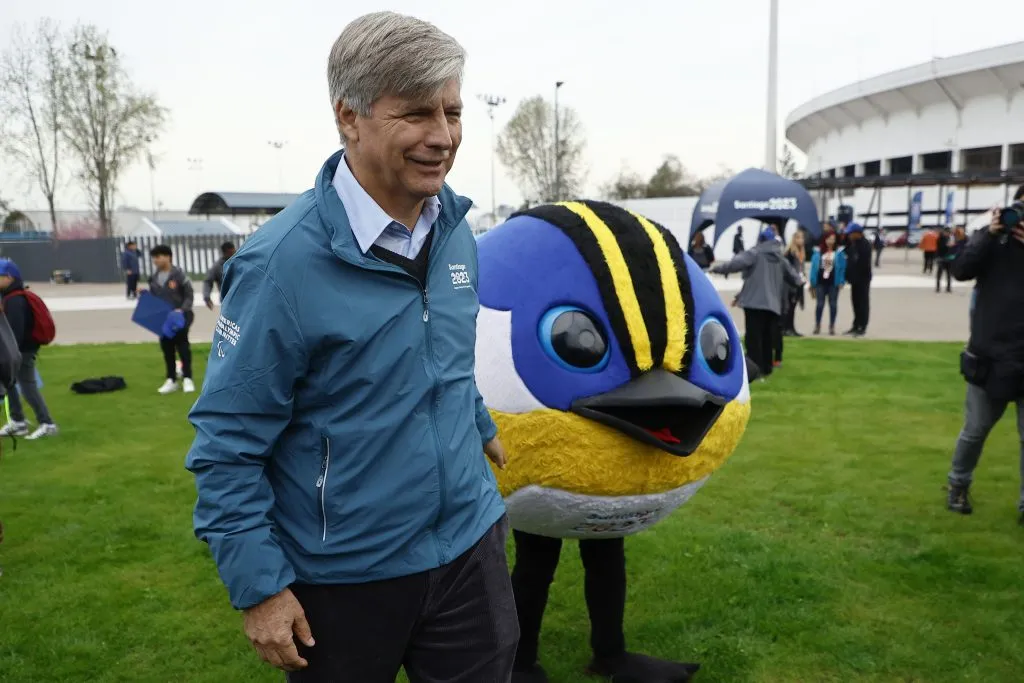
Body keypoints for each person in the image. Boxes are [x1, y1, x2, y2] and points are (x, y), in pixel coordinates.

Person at [184, 12, 517, 683]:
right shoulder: (280, 264)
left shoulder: (455, 226)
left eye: (453, 112)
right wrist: (259, 587)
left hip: (470, 549)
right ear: (349, 116)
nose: (444, 136)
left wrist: (475, 421)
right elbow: (227, 444)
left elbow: (440, 352)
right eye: (417, 113)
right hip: (343, 579)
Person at [945, 185, 1024, 524]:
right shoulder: (992, 240)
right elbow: (960, 268)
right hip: (990, 354)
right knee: (975, 430)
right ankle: (957, 485)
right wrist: (987, 235)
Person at [711, 227, 802, 378]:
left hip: (754, 303)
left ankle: (755, 370)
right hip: (773, 305)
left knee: (753, 339)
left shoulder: (755, 253)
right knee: (767, 337)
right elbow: (795, 278)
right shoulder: (780, 258)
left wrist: (717, 269)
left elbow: (735, 264)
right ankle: (767, 368)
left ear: (761, 240)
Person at [0, 259, 57, 439]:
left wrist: (8, 352)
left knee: (27, 387)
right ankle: (18, 421)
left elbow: (14, 331)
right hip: (15, 351)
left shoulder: (15, 300)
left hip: (21, 351)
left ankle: (47, 423)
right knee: (9, 385)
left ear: (9, 277)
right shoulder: (10, 297)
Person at [145, 245, 195, 394]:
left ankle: (187, 378)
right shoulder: (153, 278)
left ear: (168, 257)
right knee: (167, 349)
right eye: (154, 257)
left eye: (158, 256)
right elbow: (154, 298)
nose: (155, 260)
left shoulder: (179, 275)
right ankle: (171, 379)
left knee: (183, 347)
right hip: (163, 319)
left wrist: (182, 309)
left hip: (180, 317)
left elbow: (189, 295)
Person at [809, 231, 846, 335]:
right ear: (824, 239)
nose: (831, 241)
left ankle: (832, 325)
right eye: (829, 238)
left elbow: (842, 268)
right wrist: (812, 281)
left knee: (833, 304)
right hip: (820, 282)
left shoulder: (839, 253)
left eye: (833, 239)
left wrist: (842, 281)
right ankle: (817, 324)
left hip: (833, 283)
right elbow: (813, 268)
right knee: (820, 304)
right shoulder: (818, 253)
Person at [843, 223, 872, 337]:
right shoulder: (852, 244)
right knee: (855, 302)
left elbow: (862, 264)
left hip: (863, 279)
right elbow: (846, 254)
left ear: (857, 233)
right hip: (854, 279)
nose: (849, 235)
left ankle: (862, 326)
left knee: (863, 302)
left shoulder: (865, 245)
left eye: (851, 233)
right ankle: (855, 324)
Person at [203, 241, 237, 310]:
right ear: (225, 253)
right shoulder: (217, 267)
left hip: (242, 299)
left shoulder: (239, 263)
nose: (234, 254)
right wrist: (207, 297)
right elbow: (208, 281)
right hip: (227, 302)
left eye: (234, 252)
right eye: (231, 253)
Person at [935, 227, 953, 293]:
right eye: (948, 232)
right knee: (940, 273)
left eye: (949, 233)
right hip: (941, 258)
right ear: (945, 232)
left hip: (948, 258)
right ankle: (938, 287)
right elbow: (940, 248)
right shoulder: (940, 238)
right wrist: (948, 246)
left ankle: (948, 287)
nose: (948, 234)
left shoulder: (949, 238)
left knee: (949, 273)